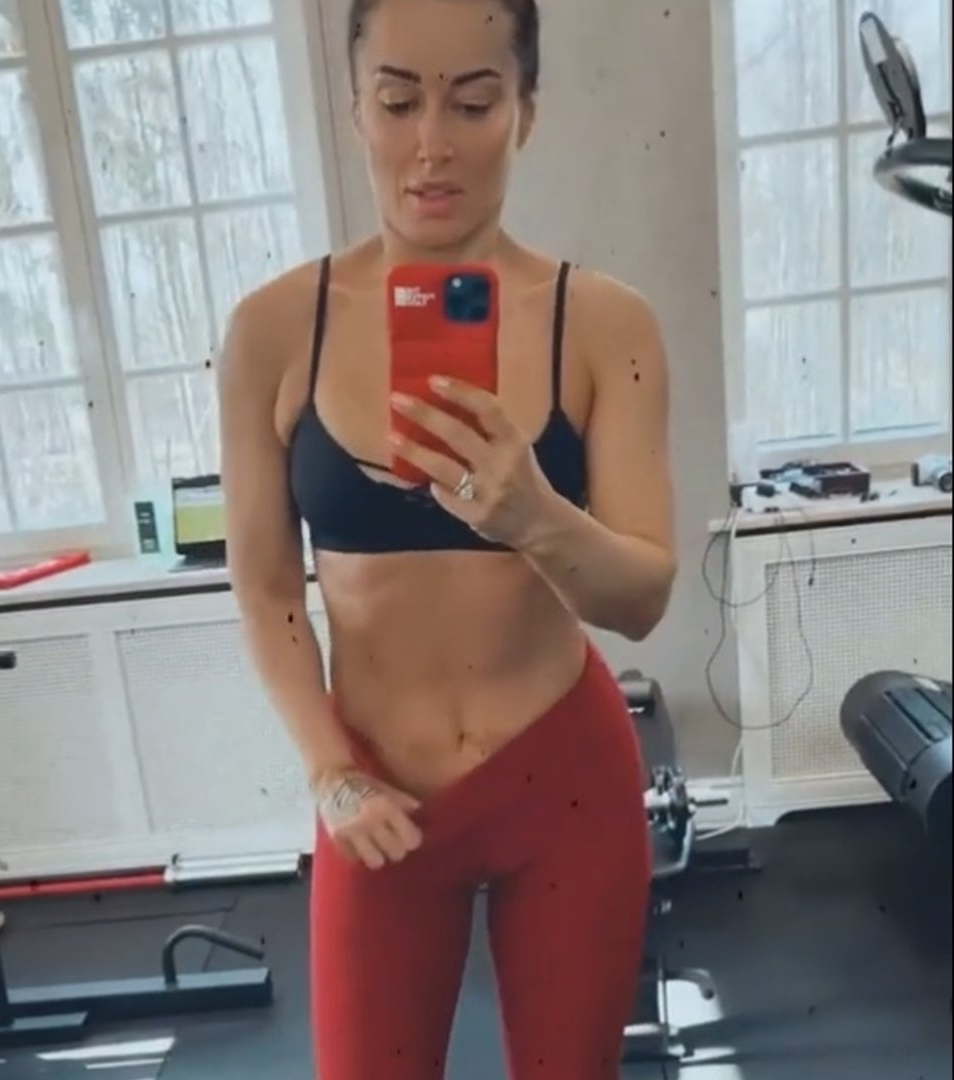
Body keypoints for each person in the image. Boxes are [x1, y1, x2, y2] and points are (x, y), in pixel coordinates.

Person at [218, 0, 676, 1076]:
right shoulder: (272, 332)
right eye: (397, 102)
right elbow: (268, 589)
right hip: (374, 788)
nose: (432, 144)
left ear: (525, 112)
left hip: (562, 779)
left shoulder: (605, 325)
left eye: (473, 103)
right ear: (355, 110)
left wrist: (534, 516)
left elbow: (643, 600)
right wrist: (331, 772)